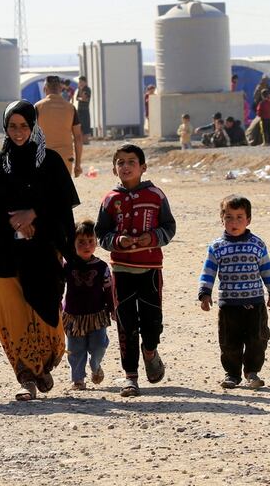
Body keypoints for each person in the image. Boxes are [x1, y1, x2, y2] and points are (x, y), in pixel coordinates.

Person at [0, 101, 77, 401]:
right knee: (14, 317)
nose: (18, 132)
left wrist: (34, 215)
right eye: (12, 126)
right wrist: (14, 223)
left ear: (33, 126)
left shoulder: (51, 163)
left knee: (47, 317)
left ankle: (42, 366)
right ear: (5, 128)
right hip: (6, 254)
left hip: (42, 254)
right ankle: (25, 376)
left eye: (23, 125)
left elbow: (62, 206)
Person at [95, 144, 176, 397]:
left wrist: (151, 238)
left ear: (143, 167)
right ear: (114, 169)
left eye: (131, 162)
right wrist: (118, 242)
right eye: (120, 162)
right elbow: (101, 233)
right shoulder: (110, 199)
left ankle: (150, 351)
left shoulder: (156, 195)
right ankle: (130, 376)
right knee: (125, 324)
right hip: (121, 270)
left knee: (152, 322)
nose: (126, 166)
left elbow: (169, 227)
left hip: (150, 269)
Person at [198, 195, 270, 389]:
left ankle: (252, 372)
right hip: (229, 305)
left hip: (255, 304)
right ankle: (232, 374)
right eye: (229, 217)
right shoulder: (217, 247)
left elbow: (267, 269)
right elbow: (208, 271)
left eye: (239, 217)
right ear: (222, 219)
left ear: (248, 220)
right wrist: (205, 293)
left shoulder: (257, 245)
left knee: (257, 340)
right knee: (229, 342)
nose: (234, 222)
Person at [63, 220, 115, 390]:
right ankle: (78, 379)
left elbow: (109, 290)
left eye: (91, 241)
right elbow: (57, 286)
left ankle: (95, 365)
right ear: (73, 243)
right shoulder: (67, 265)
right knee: (75, 349)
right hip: (73, 315)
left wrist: (112, 309)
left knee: (99, 345)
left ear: (96, 242)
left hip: (97, 314)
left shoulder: (101, 267)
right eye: (81, 242)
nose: (87, 245)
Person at [36, 75, 84, 178]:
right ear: (61, 89)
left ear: (45, 89)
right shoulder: (70, 108)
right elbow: (78, 138)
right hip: (66, 158)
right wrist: (78, 165)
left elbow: (29, 136)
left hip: (43, 158)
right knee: (62, 192)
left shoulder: (37, 107)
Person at [75, 77, 92, 142]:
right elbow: (77, 98)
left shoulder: (87, 89)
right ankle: (81, 140)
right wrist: (81, 97)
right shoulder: (80, 89)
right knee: (80, 125)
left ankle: (86, 140)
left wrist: (81, 98)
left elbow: (85, 99)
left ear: (85, 82)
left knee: (86, 125)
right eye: (79, 82)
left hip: (85, 109)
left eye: (81, 82)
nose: (80, 83)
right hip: (79, 109)